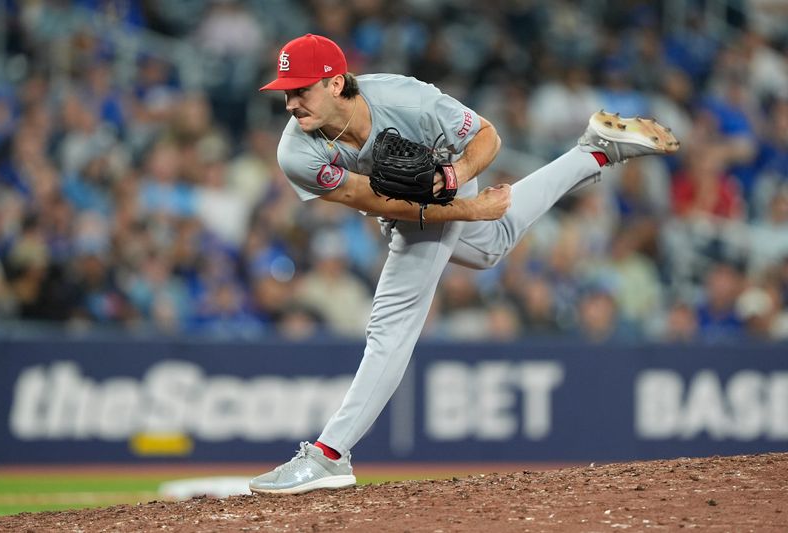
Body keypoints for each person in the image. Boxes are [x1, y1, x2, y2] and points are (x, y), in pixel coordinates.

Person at [249, 34, 679, 494]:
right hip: (411, 205)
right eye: (286, 91)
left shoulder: (403, 97)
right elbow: (372, 199)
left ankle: (329, 455)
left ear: (335, 83)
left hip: (447, 175)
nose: (290, 102)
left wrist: (456, 180)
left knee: (391, 327)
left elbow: (488, 137)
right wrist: (469, 212)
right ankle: (595, 151)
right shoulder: (296, 152)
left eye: (301, 89)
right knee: (490, 244)